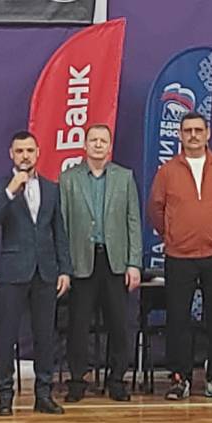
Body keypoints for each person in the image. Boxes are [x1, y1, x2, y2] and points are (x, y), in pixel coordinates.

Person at [146, 113, 212, 401]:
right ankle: (180, 378)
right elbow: (156, 209)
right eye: (187, 130)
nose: (193, 135)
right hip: (179, 255)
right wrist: (173, 234)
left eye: (198, 130)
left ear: (208, 133)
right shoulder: (167, 171)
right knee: (178, 319)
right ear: (180, 135)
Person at [0, 132, 71, 416]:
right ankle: (4, 396)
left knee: (45, 336)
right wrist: (10, 191)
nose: (25, 156)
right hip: (13, 271)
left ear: (38, 152)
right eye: (19, 151)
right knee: (7, 335)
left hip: (45, 271)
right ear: (11, 154)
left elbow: (59, 232)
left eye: (30, 150)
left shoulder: (51, 188)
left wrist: (64, 269)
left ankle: (43, 394)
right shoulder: (0, 187)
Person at [57, 122, 141, 402]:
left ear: (109, 146)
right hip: (81, 261)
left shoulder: (124, 177)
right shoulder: (68, 179)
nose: (97, 145)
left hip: (115, 262)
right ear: (85, 145)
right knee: (78, 326)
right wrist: (64, 266)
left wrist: (134, 263)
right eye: (93, 140)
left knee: (118, 325)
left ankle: (116, 380)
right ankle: (77, 381)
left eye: (103, 141)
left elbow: (133, 221)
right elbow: (62, 224)